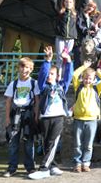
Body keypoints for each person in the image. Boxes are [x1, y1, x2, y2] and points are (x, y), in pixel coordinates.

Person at [28, 46, 73, 180]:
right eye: (48, 74)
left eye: (52, 74)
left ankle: (44, 169)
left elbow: (68, 75)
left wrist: (69, 61)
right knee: (47, 142)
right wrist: (47, 60)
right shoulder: (43, 87)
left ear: (57, 76)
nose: (49, 76)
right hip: (45, 118)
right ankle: (52, 165)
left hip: (58, 117)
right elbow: (41, 76)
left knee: (52, 142)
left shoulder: (61, 86)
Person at [4, 57, 40, 178]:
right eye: (22, 67)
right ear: (18, 68)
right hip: (15, 115)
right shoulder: (13, 84)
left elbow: (37, 100)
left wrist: (36, 115)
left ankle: (30, 167)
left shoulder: (33, 83)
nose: (25, 69)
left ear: (31, 69)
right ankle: (12, 168)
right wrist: (7, 118)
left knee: (29, 142)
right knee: (13, 141)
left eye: (28, 67)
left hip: (28, 114)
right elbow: (8, 101)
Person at [72, 62, 101, 173]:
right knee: (77, 143)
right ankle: (77, 163)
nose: (87, 80)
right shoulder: (78, 87)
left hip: (92, 119)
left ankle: (86, 163)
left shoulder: (97, 88)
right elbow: (74, 75)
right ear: (82, 79)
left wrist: (98, 72)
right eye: (85, 78)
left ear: (93, 79)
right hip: (78, 119)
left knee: (88, 144)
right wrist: (84, 67)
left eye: (90, 79)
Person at [50, 0, 89, 75]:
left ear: (73, 3)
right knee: (59, 57)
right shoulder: (60, 12)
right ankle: (59, 76)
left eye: (70, 2)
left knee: (66, 57)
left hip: (70, 39)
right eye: (66, 2)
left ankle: (65, 75)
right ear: (63, 3)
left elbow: (84, 3)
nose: (68, 4)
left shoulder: (76, 13)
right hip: (60, 38)